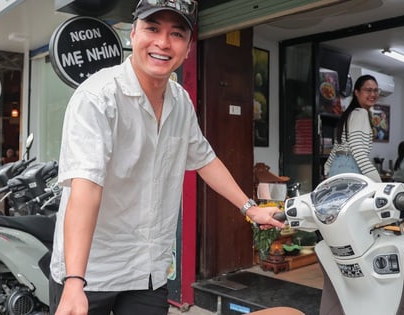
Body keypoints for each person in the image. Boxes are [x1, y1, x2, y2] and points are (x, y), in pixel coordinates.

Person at [49, 1, 285, 314]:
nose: (162, 42)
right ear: (133, 34)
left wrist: (250, 208)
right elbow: (86, 189)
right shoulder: (97, 97)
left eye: (176, 34)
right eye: (152, 29)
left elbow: (204, 159)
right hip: (92, 271)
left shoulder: (180, 101)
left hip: (149, 270)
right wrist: (74, 281)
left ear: (188, 48)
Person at [323, 74, 381, 182]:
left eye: (376, 90)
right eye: (368, 90)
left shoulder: (349, 114)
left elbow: (337, 146)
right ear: (357, 92)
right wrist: (378, 182)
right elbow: (357, 150)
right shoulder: (360, 113)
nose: (373, 94)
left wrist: (327, 168)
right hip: (351, 167)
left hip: (337, 166)